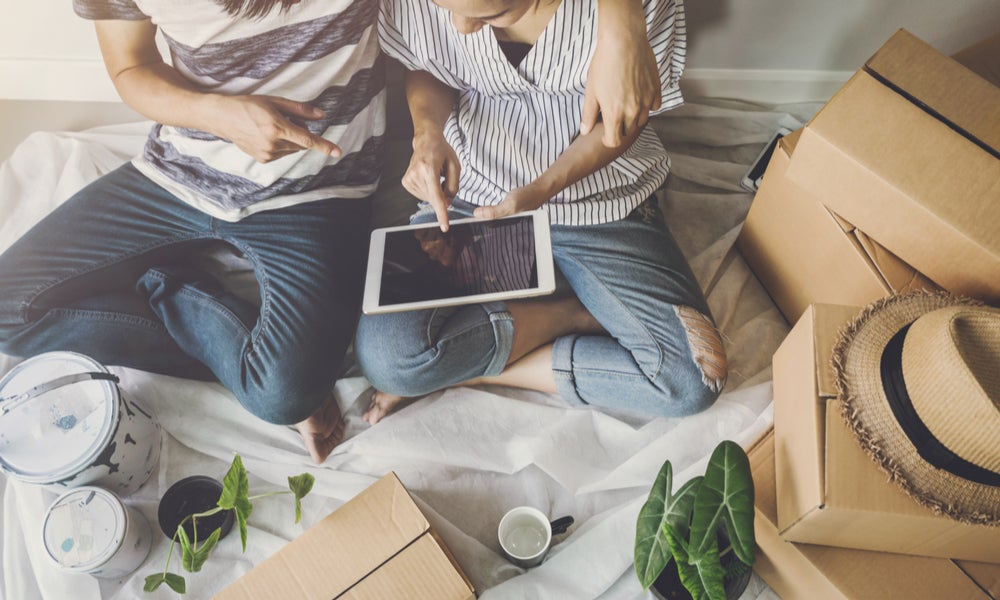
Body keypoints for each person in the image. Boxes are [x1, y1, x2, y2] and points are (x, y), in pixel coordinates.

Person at [0, 0, 661, 464]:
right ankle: (176, 290)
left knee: (284, 393)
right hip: (181, 167)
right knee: (8, 309)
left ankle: (178, 293)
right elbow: (130, 70)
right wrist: (217, 115)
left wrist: (623, 19)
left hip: (317, 188)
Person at [356, 0, 728, 425]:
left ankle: (475, 374)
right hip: (475, 197)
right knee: (388, 360)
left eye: (489, 14)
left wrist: (544, 188)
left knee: (694, 377)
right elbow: (428, 61)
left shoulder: (634, 12)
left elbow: (621, 121)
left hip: (602, 203)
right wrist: (428, 133)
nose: (459, 27)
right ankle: (572, 313)